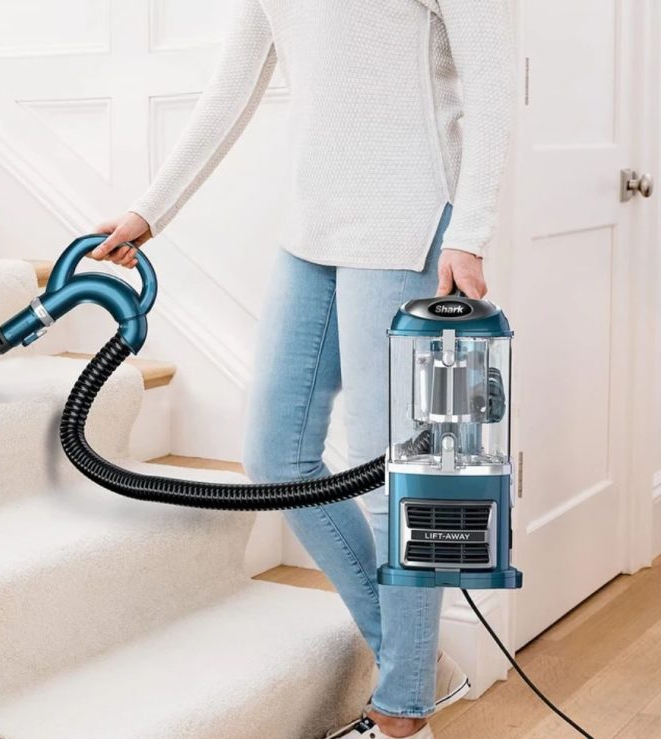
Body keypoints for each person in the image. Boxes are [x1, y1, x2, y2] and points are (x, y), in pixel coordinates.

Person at [92, 1, 514, 737]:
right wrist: (149, 211)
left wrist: (471, 229)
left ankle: (402, 710)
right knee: (276, 457)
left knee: (393, 476)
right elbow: (232, 86)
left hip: (410, 223)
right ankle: (408, 666)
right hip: (311, 227)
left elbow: (493, 81)